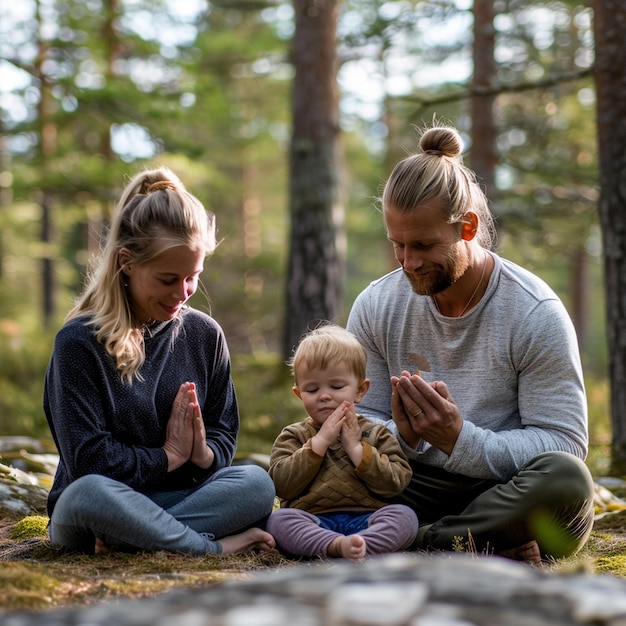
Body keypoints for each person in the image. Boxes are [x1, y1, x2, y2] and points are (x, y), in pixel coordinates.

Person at [346, 122, 595, 565]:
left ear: (467, 227)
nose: (408, 262)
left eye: (422, 245)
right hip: (413, 482)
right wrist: (399, 435)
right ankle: (481, 544)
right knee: (316, 471)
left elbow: (564, 442)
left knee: (566, 479)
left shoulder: (534, 311)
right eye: (397, 244)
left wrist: (461, 440)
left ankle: (418, 542)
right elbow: (360, 417)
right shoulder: (376, 305)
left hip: (505, 488)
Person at [44, 166, 276, 556]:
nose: (183, 293)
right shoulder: (79, 343)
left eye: (193, 276)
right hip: (101, 505)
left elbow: (224, 435)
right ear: (126, 263)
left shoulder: (205, 335)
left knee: (257, 482)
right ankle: (210, 549)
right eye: (168, 279)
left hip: (181, 500)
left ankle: (132, 539)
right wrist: (167, 457)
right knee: (87, 495)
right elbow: (88, 461)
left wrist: (201, 452)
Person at [267, 324, 418, 560]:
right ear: (299, 394)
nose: (325, 395)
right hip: (313, 521)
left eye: (336, 386)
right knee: (279, 521)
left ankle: (361, 545)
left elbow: (396, 482)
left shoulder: (376, 433)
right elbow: (281, 485)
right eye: (312, 389)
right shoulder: (293, 435)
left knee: (405, 516)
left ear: (360, 390)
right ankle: (335, 545)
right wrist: (318, 443)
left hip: (368, 519)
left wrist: (357, 449)